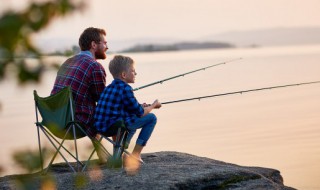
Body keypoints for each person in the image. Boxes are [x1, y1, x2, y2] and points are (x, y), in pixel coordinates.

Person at [94, 55, 161, 174]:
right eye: (133, 71)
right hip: (115, 126)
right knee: (151, 118)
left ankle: (121, 153)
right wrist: (153, 106)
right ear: (124, 75)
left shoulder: (108, 87)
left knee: (130, 118)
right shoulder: (126, 89)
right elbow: (140, 113)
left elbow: (127, 107)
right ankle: (135, 155)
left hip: (101, 127)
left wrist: (141, 105)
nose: (136, 73)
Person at [51, 27, 108, 163]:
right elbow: (102, 101)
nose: (107, 46)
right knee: (111, 112)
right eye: (104, 43)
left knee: (89, 110)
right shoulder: (95, 66)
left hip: (54, 121)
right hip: (74, 125)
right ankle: (114, 157)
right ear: (94, 45)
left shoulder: (67, 62)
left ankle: (103, 156)